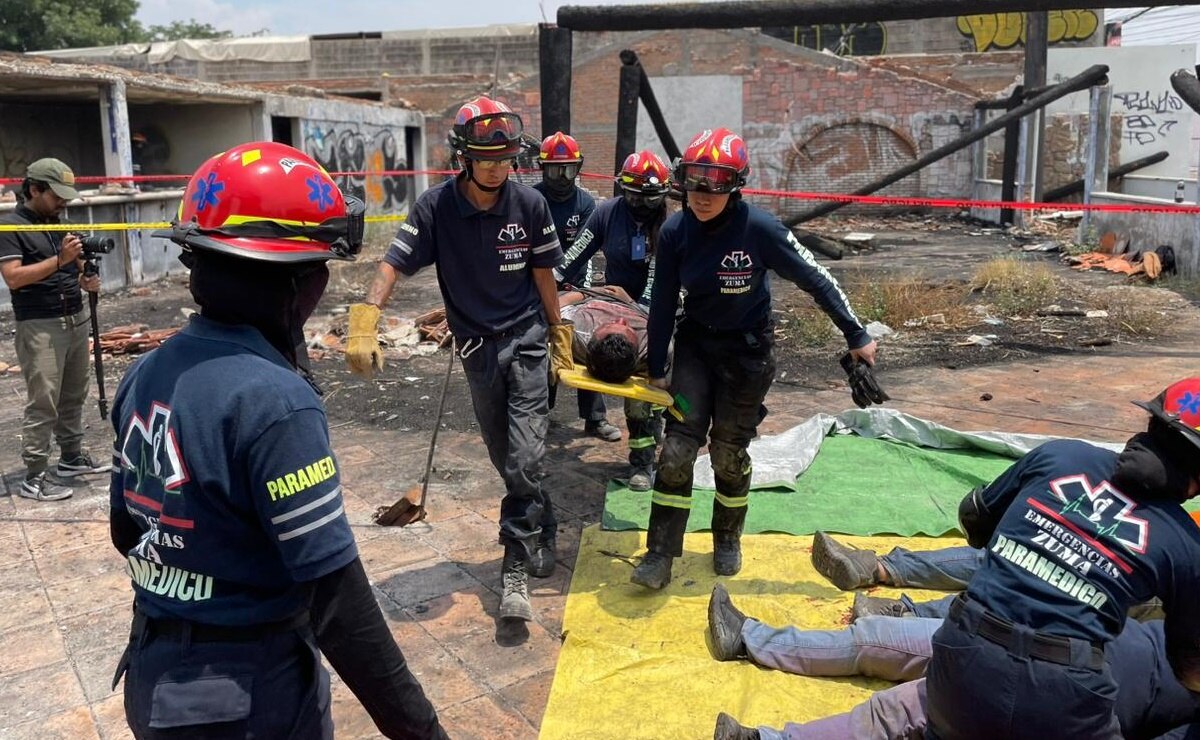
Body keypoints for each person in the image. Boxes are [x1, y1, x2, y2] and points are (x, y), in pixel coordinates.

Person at [108, 142, 445, 738]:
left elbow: (125, 530)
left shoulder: (146, 372)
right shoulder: (274, 402)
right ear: (292, 281)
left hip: (152, 676)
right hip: (246, 695)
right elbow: (337, 603)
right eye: (317, 270)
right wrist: (422, 730)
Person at [346, 96, 564, 623]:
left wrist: (558, 331)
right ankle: (544, 521)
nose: (495, 166)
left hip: (528, 339)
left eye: (505, 157)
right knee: (504, 456)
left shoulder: (531, 206)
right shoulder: (436, 208)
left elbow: (542, 275)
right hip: (476, 350)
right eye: (485, 157)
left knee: (527, 455)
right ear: (464, 156)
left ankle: (513, 566)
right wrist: (367, 315)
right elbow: (395, 261)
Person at [634, 128, 877, 589]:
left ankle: (728, 537)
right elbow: (663, 301)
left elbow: (816, 277)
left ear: (736, 185)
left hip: (747, 357)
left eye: (715, 184)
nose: (702, 195)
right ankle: (660, 553)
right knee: (677, 450)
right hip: (694, 351)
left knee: (728, 452)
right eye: (694, 182)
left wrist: (855, 333)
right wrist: (657, 369)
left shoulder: (761, 230)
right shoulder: (674, 231)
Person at [921, 378, 1200, 738]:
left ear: (1151, 422)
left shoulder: (1060, 455)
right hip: (1063, 694)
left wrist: (1042, 550)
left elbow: (973, 517)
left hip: (959, 656)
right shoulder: (1185, 544)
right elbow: (1190, 668)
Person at [706, 585, 1200, 739]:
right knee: (881, 638)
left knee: (898, 713)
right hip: (1032, 642)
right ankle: (747, 638)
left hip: (1054, 698)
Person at [556, 149, 673, 490]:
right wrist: (549, 289)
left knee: (645, 395)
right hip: (610, 302)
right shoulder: (606, 213)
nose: (639, 203)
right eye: (633, 194)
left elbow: (658, 281)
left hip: (654, 311)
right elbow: (575, 255)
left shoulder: (669, 224)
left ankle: (643, 460)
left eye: (648, 198)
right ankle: (627, 432)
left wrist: (636, 308)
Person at [0, 157, 109, 502]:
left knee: (74, 393)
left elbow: (72, 270)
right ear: (35, 189)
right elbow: (14, 278)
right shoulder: (11, 227)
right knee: (43, 402)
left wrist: (85, 278)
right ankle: (34, 475)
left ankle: (71, 457)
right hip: (40, 325)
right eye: (57, 195)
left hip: (74, 319)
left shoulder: (60, 225)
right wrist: (60, 260)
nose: (64, 202)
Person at [533, 132, 617, 443]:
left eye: (568, 169)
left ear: (578, 168)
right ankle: (541, 415)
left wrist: (572, 288)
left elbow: (580, 249)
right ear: (543, 169)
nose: (562, 177)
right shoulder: (533, 199)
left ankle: (595, 418)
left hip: (576, 286)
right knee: (542, 351)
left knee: (585, 346)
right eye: (555, 170)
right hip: (538, 288)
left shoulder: (585, 203)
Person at [558, 285, 648, 383]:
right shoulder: (648, 346)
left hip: (592, 292)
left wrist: (597, 291)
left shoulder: (578, 331)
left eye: (608, 325)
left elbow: (557, 305)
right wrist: (630, 301)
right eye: (629, 329)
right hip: (636, 303)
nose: (621, 320)